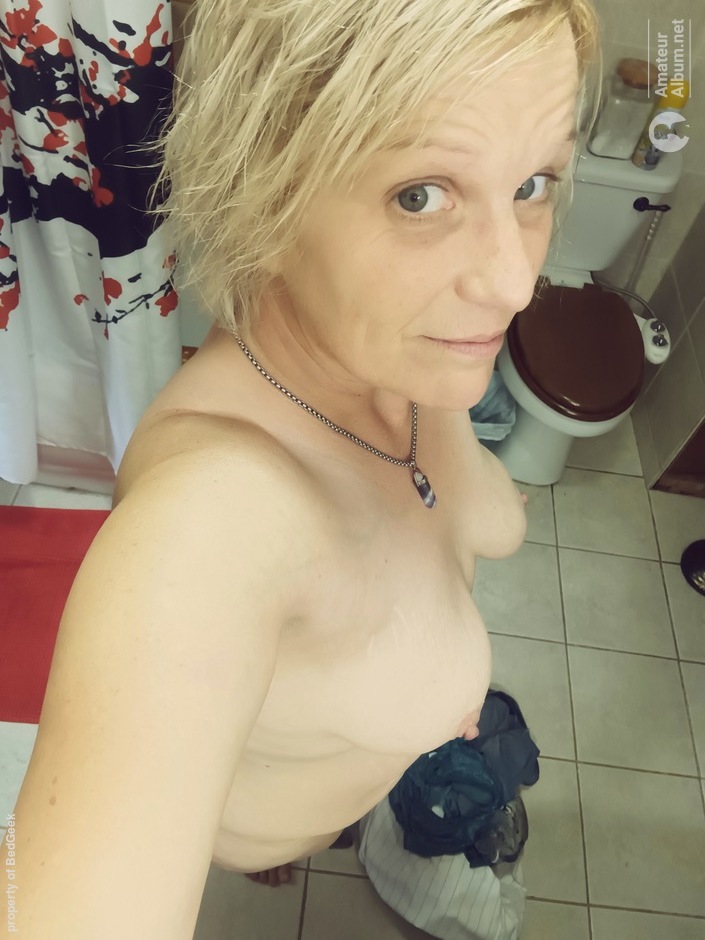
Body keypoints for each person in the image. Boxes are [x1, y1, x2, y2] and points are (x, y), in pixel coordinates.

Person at [0, 0, 600, 936]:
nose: (514, 283)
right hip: (263, 828)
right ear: (261, 187)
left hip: (345, 767)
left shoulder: (406, 358)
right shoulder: (212, 522)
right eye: (420, 196)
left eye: (532, 183)